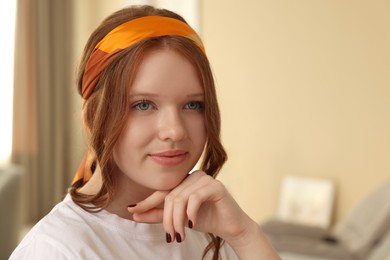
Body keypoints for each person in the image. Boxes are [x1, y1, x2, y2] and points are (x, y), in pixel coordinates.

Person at [10, 5, 280, 260]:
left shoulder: (209, 228)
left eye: (193, 104)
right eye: (143, 105)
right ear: (94, 118)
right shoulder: (57, 250)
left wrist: (244, 234)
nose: (174, 130)